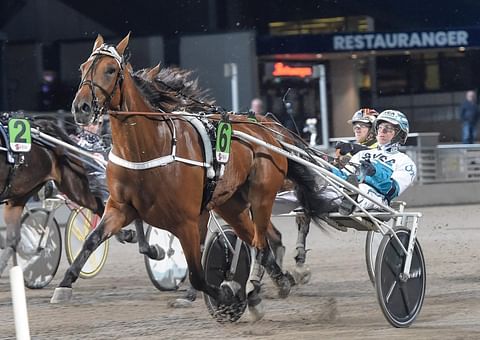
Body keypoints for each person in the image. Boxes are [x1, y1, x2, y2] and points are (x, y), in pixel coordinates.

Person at [330, 109, 416, 214]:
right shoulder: (361, 154)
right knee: (324, 190)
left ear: (399, 134)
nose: (382, 131)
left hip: (377, 199)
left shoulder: (405, 162)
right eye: (380, 127)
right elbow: (344, 177)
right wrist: (328, 169)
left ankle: (350, 199)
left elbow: (392, 191)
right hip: (349, 191)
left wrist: (375, 173)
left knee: (362, 189)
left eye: (388, 129)